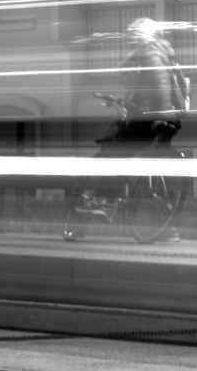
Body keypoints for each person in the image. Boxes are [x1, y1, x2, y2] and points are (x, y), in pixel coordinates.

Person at [63, 17, 189, 242]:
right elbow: (148, 88)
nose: (130, 39)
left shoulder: (150, 53)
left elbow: (159, 86)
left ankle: (104, 200)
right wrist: (127, 101)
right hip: (166, 117)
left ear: (144, 35)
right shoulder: (163, 52)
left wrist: (156, 113)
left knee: (113, 153)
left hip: (151, 118)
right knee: (128, 155)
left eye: (134, 34)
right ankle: (164, 228)